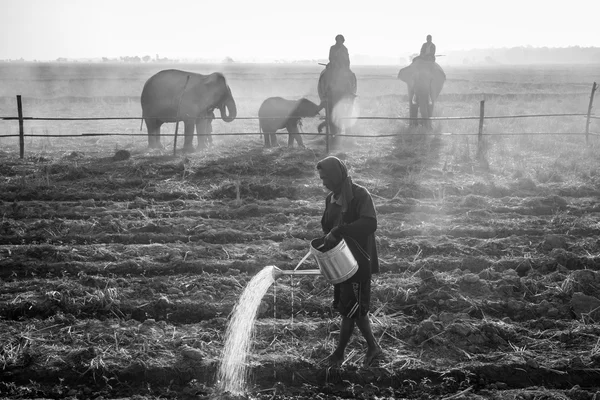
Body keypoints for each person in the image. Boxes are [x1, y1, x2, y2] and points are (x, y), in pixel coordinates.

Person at [316, 156, 382, 368]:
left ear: (336, 176)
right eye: (321, 178)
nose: (323, 182)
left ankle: (339, 353)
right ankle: (373, 347)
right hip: (340, 261)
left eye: (325, 177)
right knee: (352, 308)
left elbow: (370, 223)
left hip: (358, 262)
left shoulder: (360, 195)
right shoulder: (331, 199)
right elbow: (327, 226)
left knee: (351, 310)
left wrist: (340, 230)